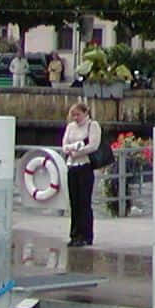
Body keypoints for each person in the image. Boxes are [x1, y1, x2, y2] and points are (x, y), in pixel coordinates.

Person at [61, 101, 102, 247]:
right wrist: (70, 149)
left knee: (84, 202)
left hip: (85, 166)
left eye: (78, 114)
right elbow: (64, 144)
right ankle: (75, 234)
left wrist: (78, 152)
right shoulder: (71, 127)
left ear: (85, 113)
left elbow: (93, 145)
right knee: (74, 201)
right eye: (73, 115)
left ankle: (86, 235)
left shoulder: (92, 125)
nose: (75, 118)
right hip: (72, 166)